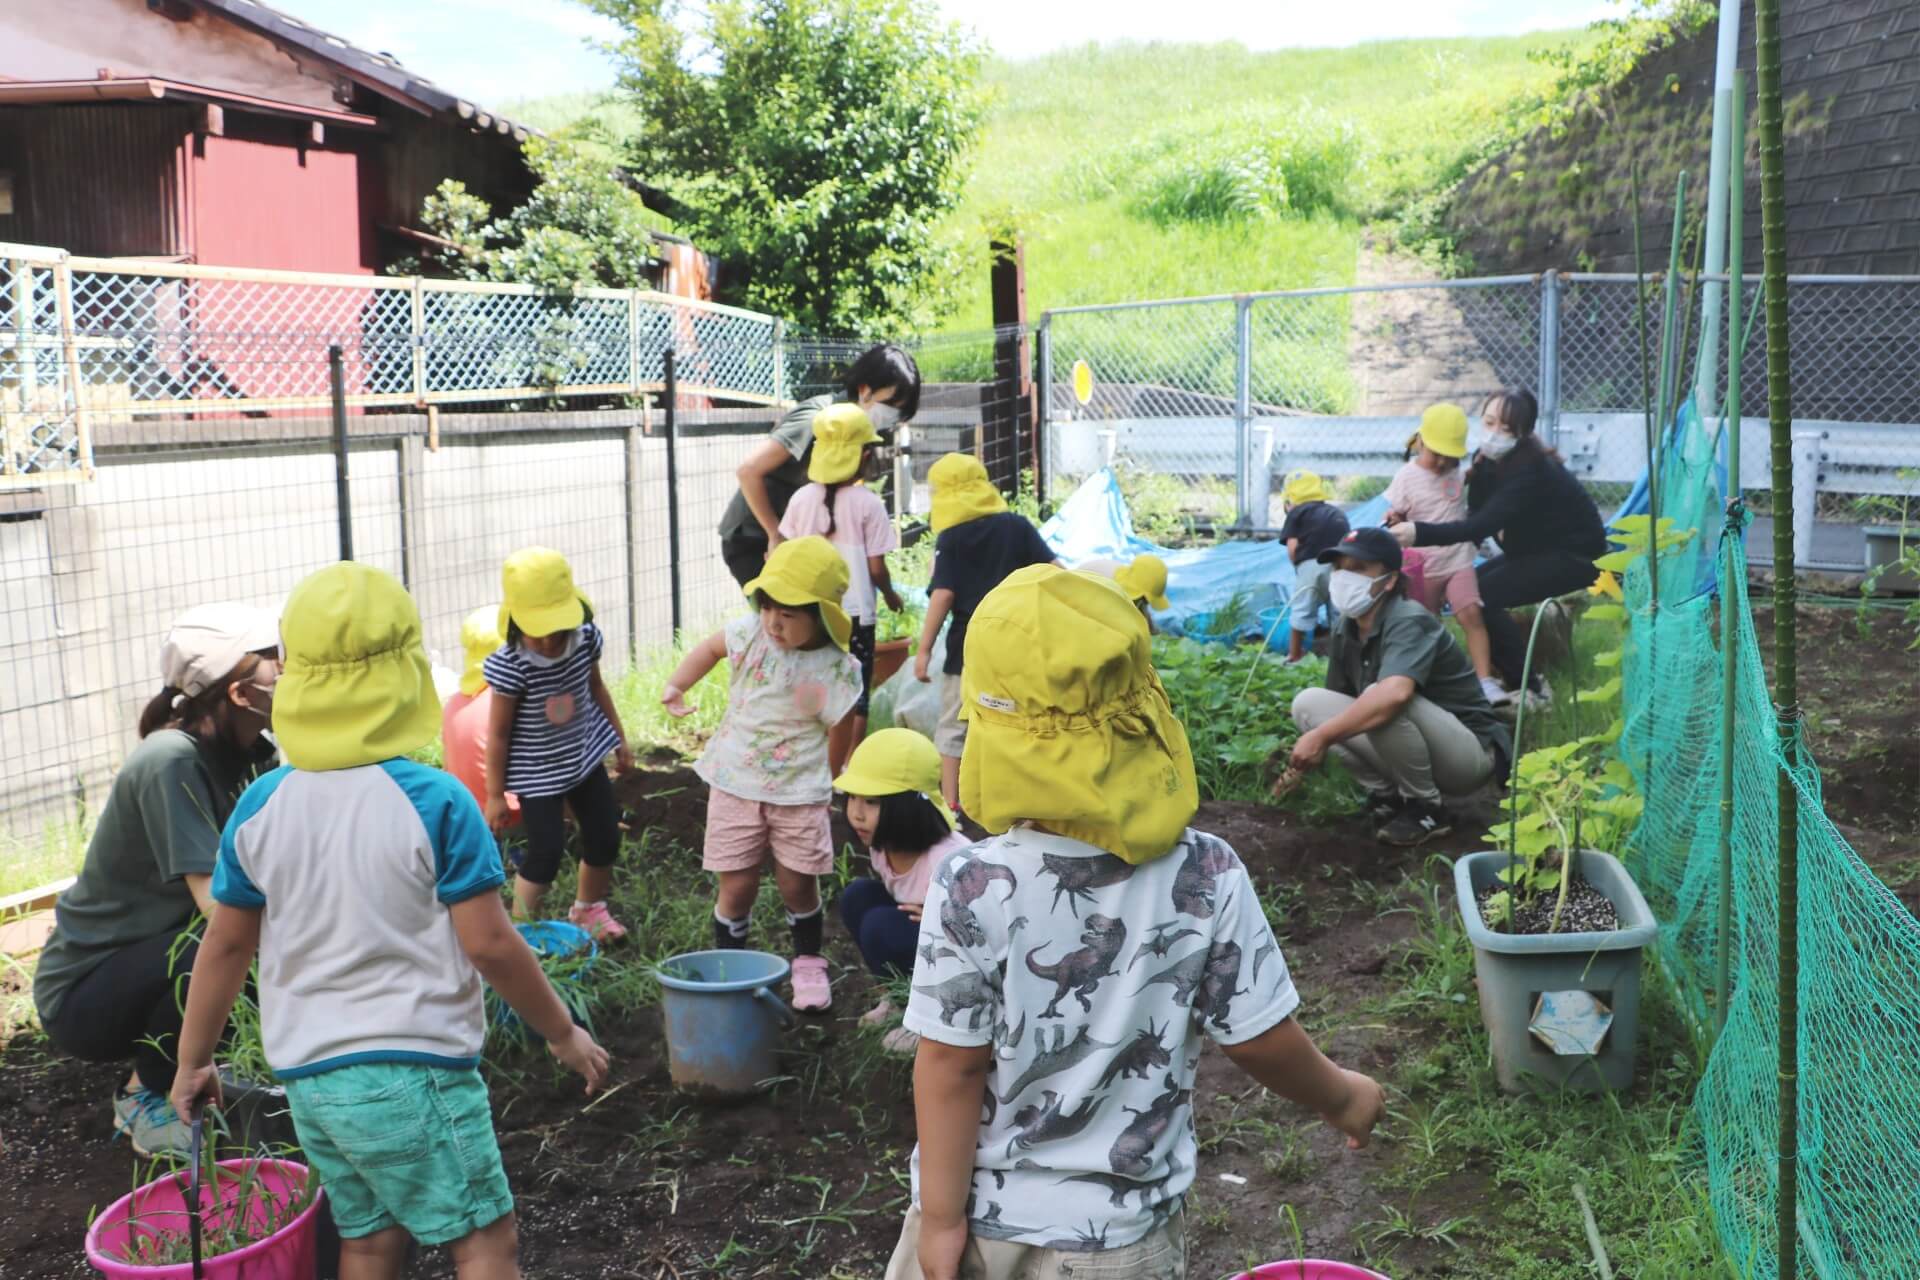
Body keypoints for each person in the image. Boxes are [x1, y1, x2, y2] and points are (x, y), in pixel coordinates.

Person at [884, 566, 1384, 1280]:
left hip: (979, 1226)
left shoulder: (967, 884)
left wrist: (938, 1219)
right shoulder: (1206, 872)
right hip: (1121, 1240)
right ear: (1145, 715)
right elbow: (1260, 1038)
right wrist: (1343, 1095)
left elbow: (952, 1063)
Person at [170, 562, 610, 1280]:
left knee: (369, 1239)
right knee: (485, 1239)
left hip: (312, 1079)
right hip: (415, 1070)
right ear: (403, 674)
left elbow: (224, 944)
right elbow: (492, 945)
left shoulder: (260, 806)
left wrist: (193, 1063)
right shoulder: (434, 801)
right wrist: (562, 1032)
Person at [31, 603, 282, 1157]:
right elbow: (219, 910)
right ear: (240, 693)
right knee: (222, 945)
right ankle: (144, 1094)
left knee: (243, 944)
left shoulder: (254, 755)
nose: (289, 670)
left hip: (146, 962)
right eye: (274, 661)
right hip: (84, 993)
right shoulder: (171, 760)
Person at [662, 536, 865, 1013]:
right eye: (768, 606)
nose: (774, 620)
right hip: (735, 782)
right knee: (736, 884)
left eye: (789, 613)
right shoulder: (750, 634)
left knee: (798, 883)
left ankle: (809, 963)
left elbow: (841, 725)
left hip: (798, 791)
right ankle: (729, 966)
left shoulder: (836, 668)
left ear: (819, 614)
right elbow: (710, 648)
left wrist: (833, 776)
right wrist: (676, 684)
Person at [1289, 528, 1512, 847]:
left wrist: (1321, 738)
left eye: (1359, 569)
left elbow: (1394, 695)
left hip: (1468, 753)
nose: (1343, 577)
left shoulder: (1409, 619)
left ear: (1391, 580)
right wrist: (1305, 753)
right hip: (1421, 743)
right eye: (1339, 567)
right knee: (1308, 704)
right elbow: (1344, 704)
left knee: (1380, 700)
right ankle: (1388, 796)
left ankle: (1427, 807)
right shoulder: (1346, 628)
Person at [1390, 388, 1605, 703]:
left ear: (1523, 433)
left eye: (1505, 429)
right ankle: (1498, 675)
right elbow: (1474, 511)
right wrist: (1449, 554)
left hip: (1575, 557)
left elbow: (1481, 525)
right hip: (1536, 549)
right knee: (1473, 591)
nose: (1493, 434)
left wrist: (1418, 533)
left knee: (1485, 596)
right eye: (1489, 422)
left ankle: (1530, 686)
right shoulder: (1487, 458)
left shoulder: (1530, 470)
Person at [482, 548, 634, 939]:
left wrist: (618, 737)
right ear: (516, 619)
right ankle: (520, 934)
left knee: (605, 836)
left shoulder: (585, 640)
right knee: (545, 853)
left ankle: (588, 910)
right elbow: (498, 733)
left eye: (557, 627)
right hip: (537, 774)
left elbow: (597, 687)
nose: (550, 640)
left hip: (582, 757)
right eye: (539, 629)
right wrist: (495, 794)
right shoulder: (511, 664)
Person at [913, 453, 1057, 812]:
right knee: (1018, 720)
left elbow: (943, 595)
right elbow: (1055, 572)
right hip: (1019, 646)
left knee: (953, 726)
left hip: (968, 650)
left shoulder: (952, 538)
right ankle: (1023, 802)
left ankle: (951, 805)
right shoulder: (1017, 526)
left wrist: (923, 650)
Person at [719, 343, 922, 587]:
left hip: (792, 537)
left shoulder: (857, 431)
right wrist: (775, 535)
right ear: (865, 390)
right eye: (891, 405)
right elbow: (748, 471)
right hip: (754, 537)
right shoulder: (815, 418)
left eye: (900, 413)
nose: (892, 417)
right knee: (782, 621)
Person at [780, 403, 904, 773]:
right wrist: (890, 594)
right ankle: (846, 767)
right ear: (865, 455)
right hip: (855, 614)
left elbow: (786, 552)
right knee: (856, 690)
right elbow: (876, 567)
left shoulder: (801, 499)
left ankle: (808, 760)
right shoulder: (869, 503)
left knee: (810, 681)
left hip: (810, 614)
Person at [833, 728, 974, 1055]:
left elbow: (988, 930)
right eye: (853, 797)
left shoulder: (950, 861)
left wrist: (944, 918)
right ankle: (900, 1000)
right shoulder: (883, 847)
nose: (856, 812)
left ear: (910, 807)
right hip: (926, 945)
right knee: (859, 897)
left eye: (872, 802)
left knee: (881, 927)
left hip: (960, 959)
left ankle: (930, 1023)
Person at [1384, 404, 1504, 706]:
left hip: (1457, 560)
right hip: (1422, 567)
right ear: (1420, 441)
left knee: (1471, 613)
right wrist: (1395, 518)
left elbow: (1468, 480)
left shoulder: (1456, 470)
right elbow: (1395, 512)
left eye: (1448, 454)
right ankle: (1432, 682)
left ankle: (1485, 681)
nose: (1441, 461)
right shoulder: (1406, 477)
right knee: (1425, 625)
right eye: (1435, 452)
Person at [442, 604, 519, 826]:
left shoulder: (453, 704)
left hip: (467, 817)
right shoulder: (506, 699)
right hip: (509, 817)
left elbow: (449, 769)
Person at [1277, 469, 1350, 664]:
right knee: (1339, 612)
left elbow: (1292, 549)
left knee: (1301, 609)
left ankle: (1294, 654)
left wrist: (1298, 565)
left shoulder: (1296, 513)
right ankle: (1341, 657)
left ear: (1289, 501)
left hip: (1311, 565)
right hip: (1341, 564)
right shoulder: (1336, 512)